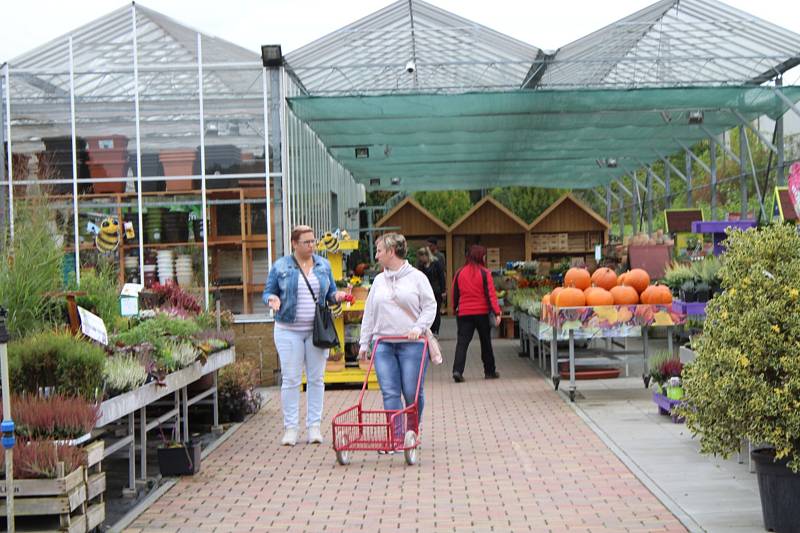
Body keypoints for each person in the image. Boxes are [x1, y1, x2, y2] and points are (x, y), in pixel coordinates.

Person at [264, 225, 347, 446]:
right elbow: (268, 291)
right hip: (287, 330)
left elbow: (328, 294)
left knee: (316, 379)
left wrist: (337, 295)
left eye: (313, 241)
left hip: (316, 331)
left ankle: (314, 427)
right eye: (306, 242)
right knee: (291, 379)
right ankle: (291, 428)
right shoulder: (281, 266)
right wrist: (272, 300)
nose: (312, 246)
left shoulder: (323, 265)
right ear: (294, 243)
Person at [359, 233, 437, 442]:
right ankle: (397, 437)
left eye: (379, 251)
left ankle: (412, 430)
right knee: (390, 392)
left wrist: (419, 328)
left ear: (391, 252)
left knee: (412, 391)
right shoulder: (378, 281)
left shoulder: (417, 278)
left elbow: (430, 306)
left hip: (412, 343)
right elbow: (369, 313)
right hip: (383, 344)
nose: (376, 256)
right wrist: (363, 343)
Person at [451, 244, 502, 383]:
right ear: (480, 256)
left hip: (464, 312)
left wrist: (455, 307)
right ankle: (489, 371)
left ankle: (457, 370)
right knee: (486, 342)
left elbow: (455, 293)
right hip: (482, 312)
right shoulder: (485, 273)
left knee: (462, 342)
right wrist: (497, 312)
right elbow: (491, 295)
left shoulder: (460, 272)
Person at [415, 246, 444, 334]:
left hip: (436, 290)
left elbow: (441, 277)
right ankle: (428, 329)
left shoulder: (436, 263)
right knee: (425, 309)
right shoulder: (420, 265)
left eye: (422, 256)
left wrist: (443, 290)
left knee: (436, 311)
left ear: (427, 255)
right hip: (425, 290)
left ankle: (436, 330)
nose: (421, 259)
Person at [426, 237, 447, 306]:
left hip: (437, 286)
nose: (428, 248)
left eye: (430, 246)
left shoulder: (440, 256)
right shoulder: (426, 256)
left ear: (435, 246)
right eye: (427, 246)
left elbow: (442, 272)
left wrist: (443, 289)